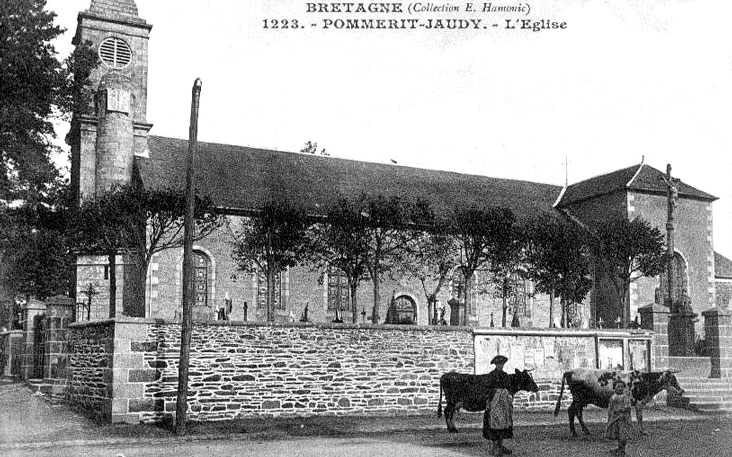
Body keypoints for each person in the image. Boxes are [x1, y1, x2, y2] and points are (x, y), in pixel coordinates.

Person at [483, 355, 514, 456]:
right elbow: (487, 390)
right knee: (494, 423)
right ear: (495, 365)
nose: (500, 366)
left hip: (504, 402)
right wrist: (488, 402)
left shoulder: (505, 375)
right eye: (498, 364)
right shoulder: (491, 375)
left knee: (504, 423)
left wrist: (509, 398)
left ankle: (500, 446)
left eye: (502, 364)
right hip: (494, 401)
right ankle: (495, 447)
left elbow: (509, 388)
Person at [606, 379, 633, 456]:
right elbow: (610, 408)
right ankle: (619, 448)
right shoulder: (613, 397)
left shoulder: (625, 397)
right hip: (615, 419)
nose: (620, 388)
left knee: (623, 436)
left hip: (623, 419)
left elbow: (628, 406)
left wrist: (623, 410)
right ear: (614, 388)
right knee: (617, 435)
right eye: (618, 387)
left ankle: (622, 450)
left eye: (622, 387)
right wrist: (610, 417)